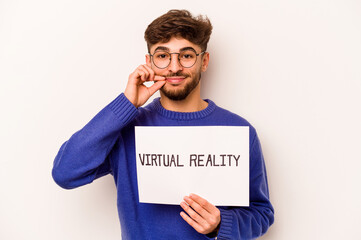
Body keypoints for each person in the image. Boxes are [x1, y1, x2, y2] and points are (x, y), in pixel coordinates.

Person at [52, 9, 274, 240]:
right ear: (149, 62)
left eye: (186, 55)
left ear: (204, 61)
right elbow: (65, 173)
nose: (174, 67)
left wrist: (220, 224)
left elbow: (261, 213)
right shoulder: (126, 128)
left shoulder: (239, 132)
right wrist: (126, 105)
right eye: (163, 55)